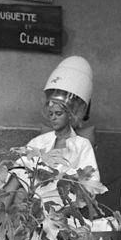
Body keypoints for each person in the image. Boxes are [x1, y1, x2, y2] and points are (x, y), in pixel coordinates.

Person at [26, 56, 100, 199]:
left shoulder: (82, 145)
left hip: (65, 201)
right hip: (34, 201)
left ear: (70, 115)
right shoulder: (38, 142)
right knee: (16, 171)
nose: (53, 117)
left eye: (58, 113)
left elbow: (92, 183)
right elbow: (20, 170)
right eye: (51, 113)